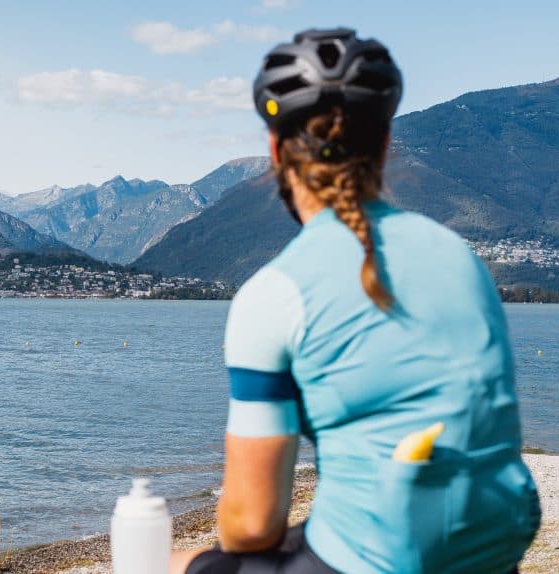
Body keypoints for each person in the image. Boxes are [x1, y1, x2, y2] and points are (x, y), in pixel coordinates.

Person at [170, 28, 541, 574]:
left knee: (168, 563)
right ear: (385, 145)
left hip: (377, 557)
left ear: (276, 152)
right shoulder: (461, 259)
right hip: (491, 548)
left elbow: (250, 525)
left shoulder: (275, 293)